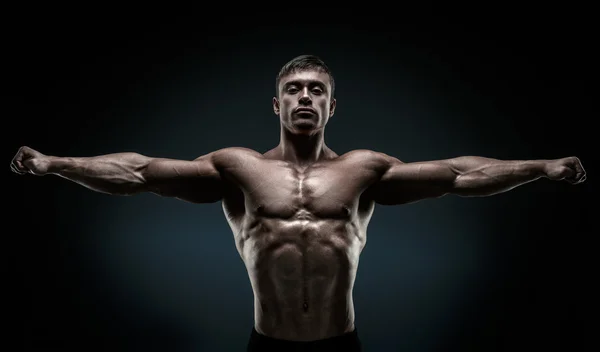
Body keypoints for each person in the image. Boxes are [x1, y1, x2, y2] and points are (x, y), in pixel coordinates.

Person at [10, 54, 586, 352]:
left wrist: (540, 168)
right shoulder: (237, 167)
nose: (305, 96)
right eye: (294, 88)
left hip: (342, 346)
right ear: (277, 104)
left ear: (332, 107)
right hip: (269, 347)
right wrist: (54, 163)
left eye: (316, 89)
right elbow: (137, 171)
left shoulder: (365, 168)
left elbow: (460, 174)